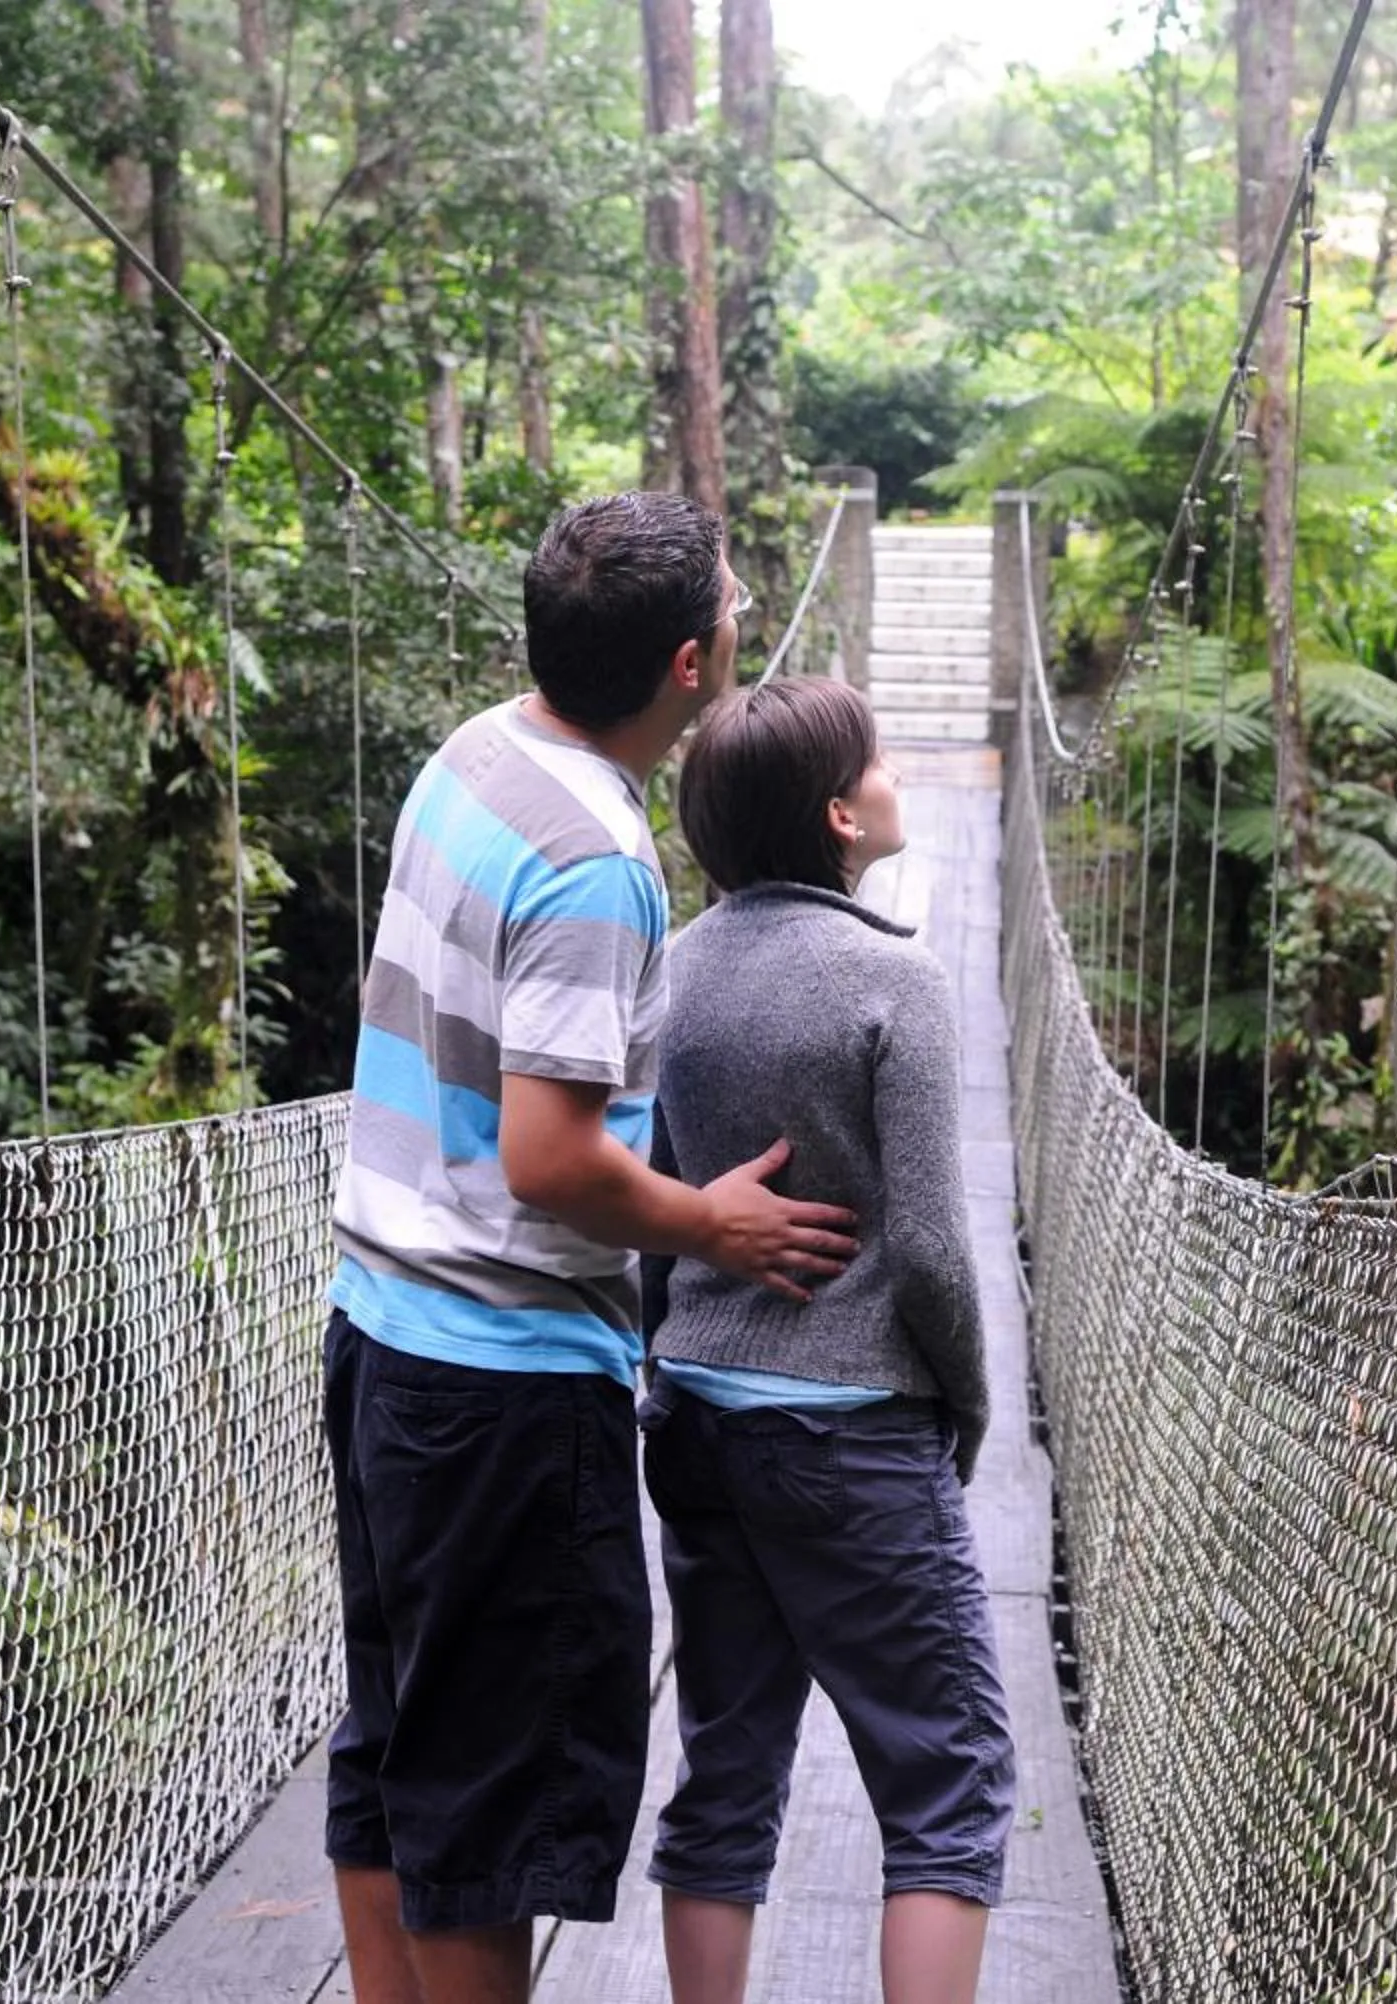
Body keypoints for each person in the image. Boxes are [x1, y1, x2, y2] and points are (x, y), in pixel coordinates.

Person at [321, 492, 861, 2004]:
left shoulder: (475, 754)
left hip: (379, 1336)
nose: (753, 618)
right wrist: (717, 1224)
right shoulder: (598, 863)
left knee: (394, 1751)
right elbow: (551, 1161)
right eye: (741, 609)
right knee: (489, 1805)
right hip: (497, 1392)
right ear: (690, 666)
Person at [640, 675, 1016, 2004]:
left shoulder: (670, 971)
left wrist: (663, 1355)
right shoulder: (895, 978)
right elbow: (923, 1242)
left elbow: (659, 1209)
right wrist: (965, 1405)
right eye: (883, 760)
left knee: (727, 1771)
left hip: (693, 1418)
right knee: (948, 1785)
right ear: (842, 816)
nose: (901, 772)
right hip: (850, 1431)